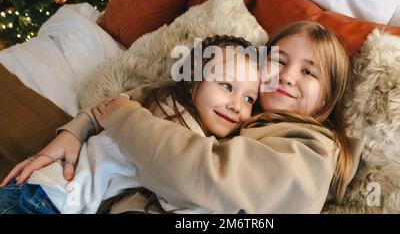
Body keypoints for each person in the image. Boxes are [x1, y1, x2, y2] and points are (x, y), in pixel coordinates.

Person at [1, 21, 364, 213]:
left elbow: (206, 175)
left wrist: (124, 119)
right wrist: (77, 129)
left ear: (327, 100)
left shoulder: (313, 151)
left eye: (309, 73)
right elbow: (165, 92)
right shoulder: (245, 111)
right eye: (279, 61)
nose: (287, 76)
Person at [0, 35, 260, 214]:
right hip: (48, 199)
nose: (237, 105)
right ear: (193, 79)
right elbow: (179, 188)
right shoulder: (170, 118)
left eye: (249, 98)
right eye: (226, 86)